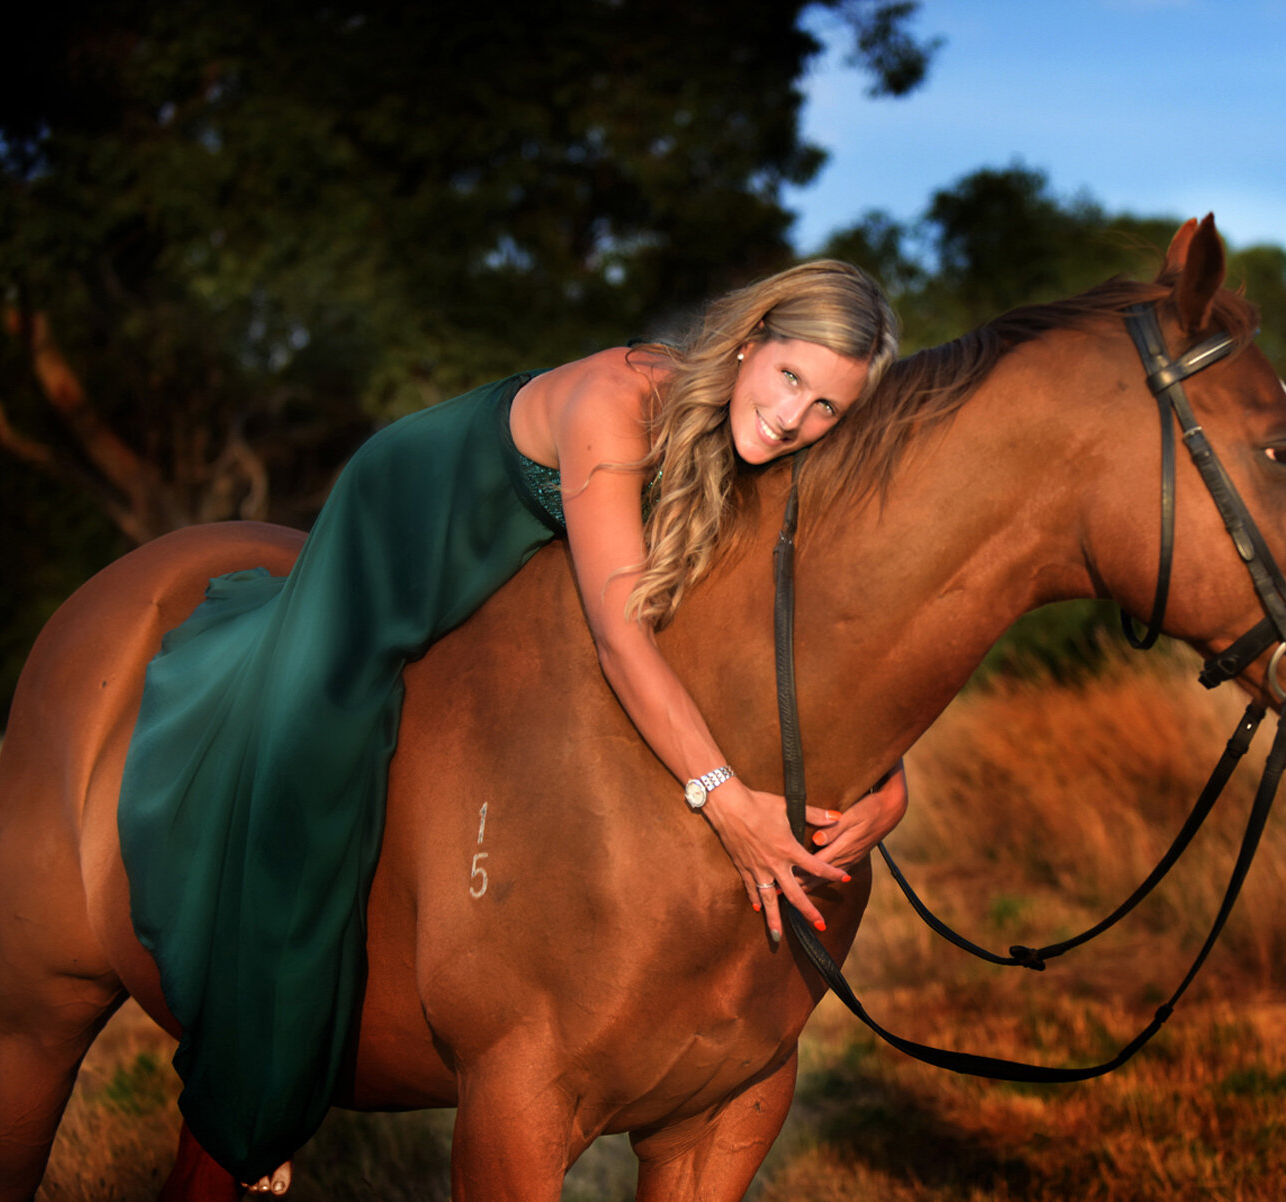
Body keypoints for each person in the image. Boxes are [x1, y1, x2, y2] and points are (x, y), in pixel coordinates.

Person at [116, 260, 909, 1194]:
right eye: (790, 378)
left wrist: (891, 786)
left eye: (827, 408)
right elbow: (621, 640)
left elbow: (801, 647)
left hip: (528, 560)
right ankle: (259, 1081)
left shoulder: (776, 450)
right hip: (410, 527)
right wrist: (725, 801)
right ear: (748, 342)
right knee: (312, 755)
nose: (794, 419)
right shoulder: (620, 402)